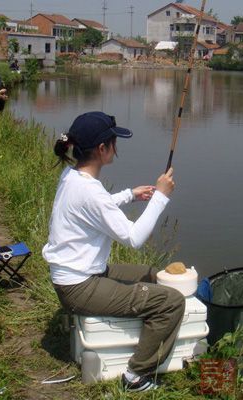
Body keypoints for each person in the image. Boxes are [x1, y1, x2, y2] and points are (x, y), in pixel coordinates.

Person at [42, 112, 185, 392]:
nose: (116, 147)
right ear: (102, 149)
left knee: (152, 275)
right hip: (80, 286)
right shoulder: (90, 192)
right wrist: (160, 197)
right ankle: (136, 376)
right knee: (171, 302)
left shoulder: (72, 175)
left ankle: (142, 334)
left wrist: (130, 194)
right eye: (113, 141)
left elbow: (96, 206)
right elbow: (134, 238)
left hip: (79, 275)